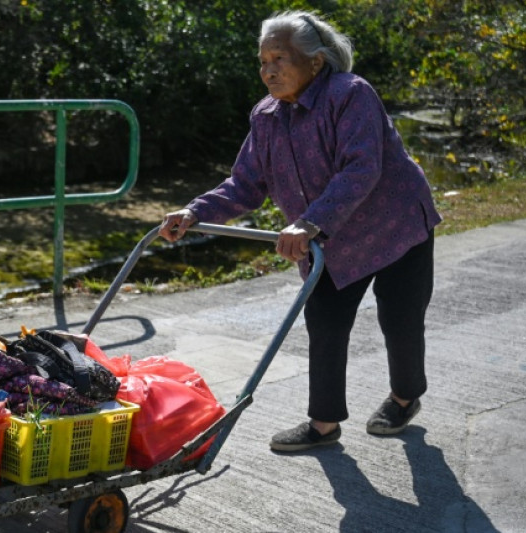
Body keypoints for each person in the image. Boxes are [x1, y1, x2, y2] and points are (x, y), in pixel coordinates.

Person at [159, 10, 442, 452]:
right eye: (263, 60)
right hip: (331, 241)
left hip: (395, 226)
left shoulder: (350, 94)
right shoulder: (266, 116)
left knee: (401, 321)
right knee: (325, 324)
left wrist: (309, 222)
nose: (269, 69)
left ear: (315, 62)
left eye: (280, 58)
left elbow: (360, 168)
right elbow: (245, 183)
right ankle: (324, 425)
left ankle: (405, 398)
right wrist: (195, 212)